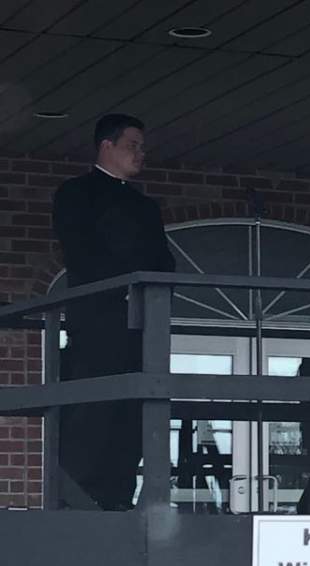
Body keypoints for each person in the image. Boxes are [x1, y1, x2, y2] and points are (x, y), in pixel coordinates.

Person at [52, 113, 176, 510]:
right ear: (107, 146)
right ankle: (76, 510)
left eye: (143, 147)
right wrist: (126, 280)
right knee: (90, 420)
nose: (141, 154)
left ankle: (119, 503)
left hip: (140, 328)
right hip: (96, 325)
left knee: (130, 423)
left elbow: (163, 262)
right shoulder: (75, 194)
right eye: (132, 146)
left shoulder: (145, 206)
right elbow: (83, 255)